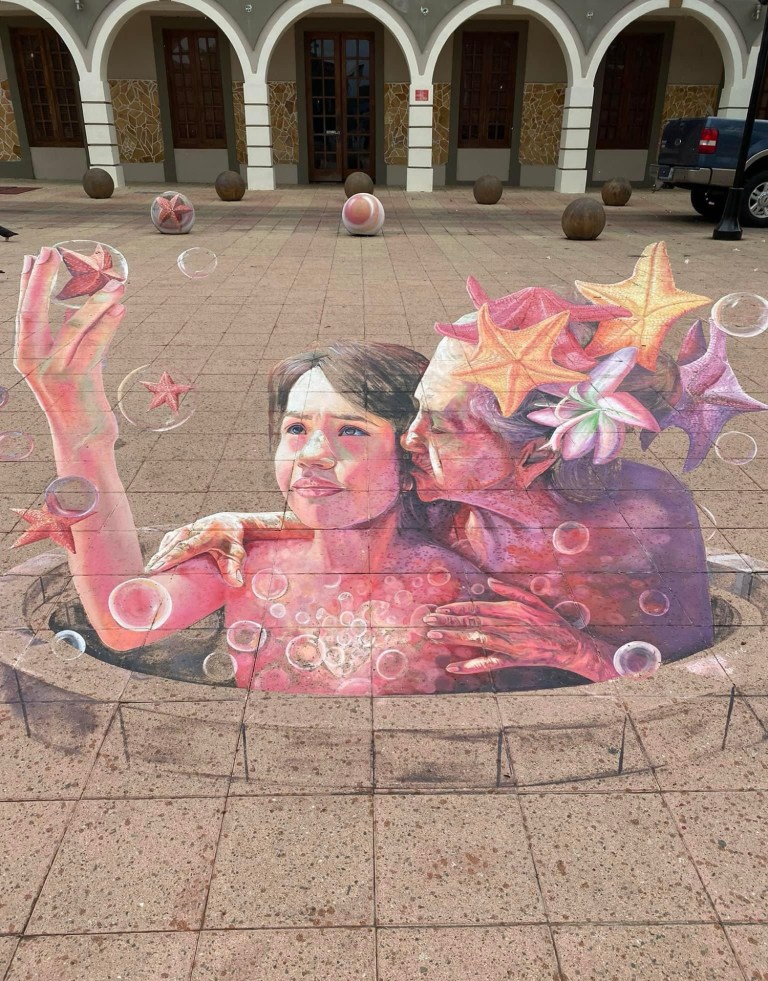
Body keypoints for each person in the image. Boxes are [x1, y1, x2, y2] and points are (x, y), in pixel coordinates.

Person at [21, 246, 598, 693]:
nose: (311, 453)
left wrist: (579, 652)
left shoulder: (469, 583)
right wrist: (79, 426)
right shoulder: (240, 561)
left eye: (352, 431)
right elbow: (123, 621)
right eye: (295, 429)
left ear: (411, 458)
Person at [150, 255, 718, 683]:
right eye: (420, 410)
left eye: (443, 426)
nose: (410, 437)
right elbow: (356, 513)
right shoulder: (441, 499)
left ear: (536, 455)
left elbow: (697, 673)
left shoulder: (646, 516)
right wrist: (244, 523)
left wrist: (576, 652)